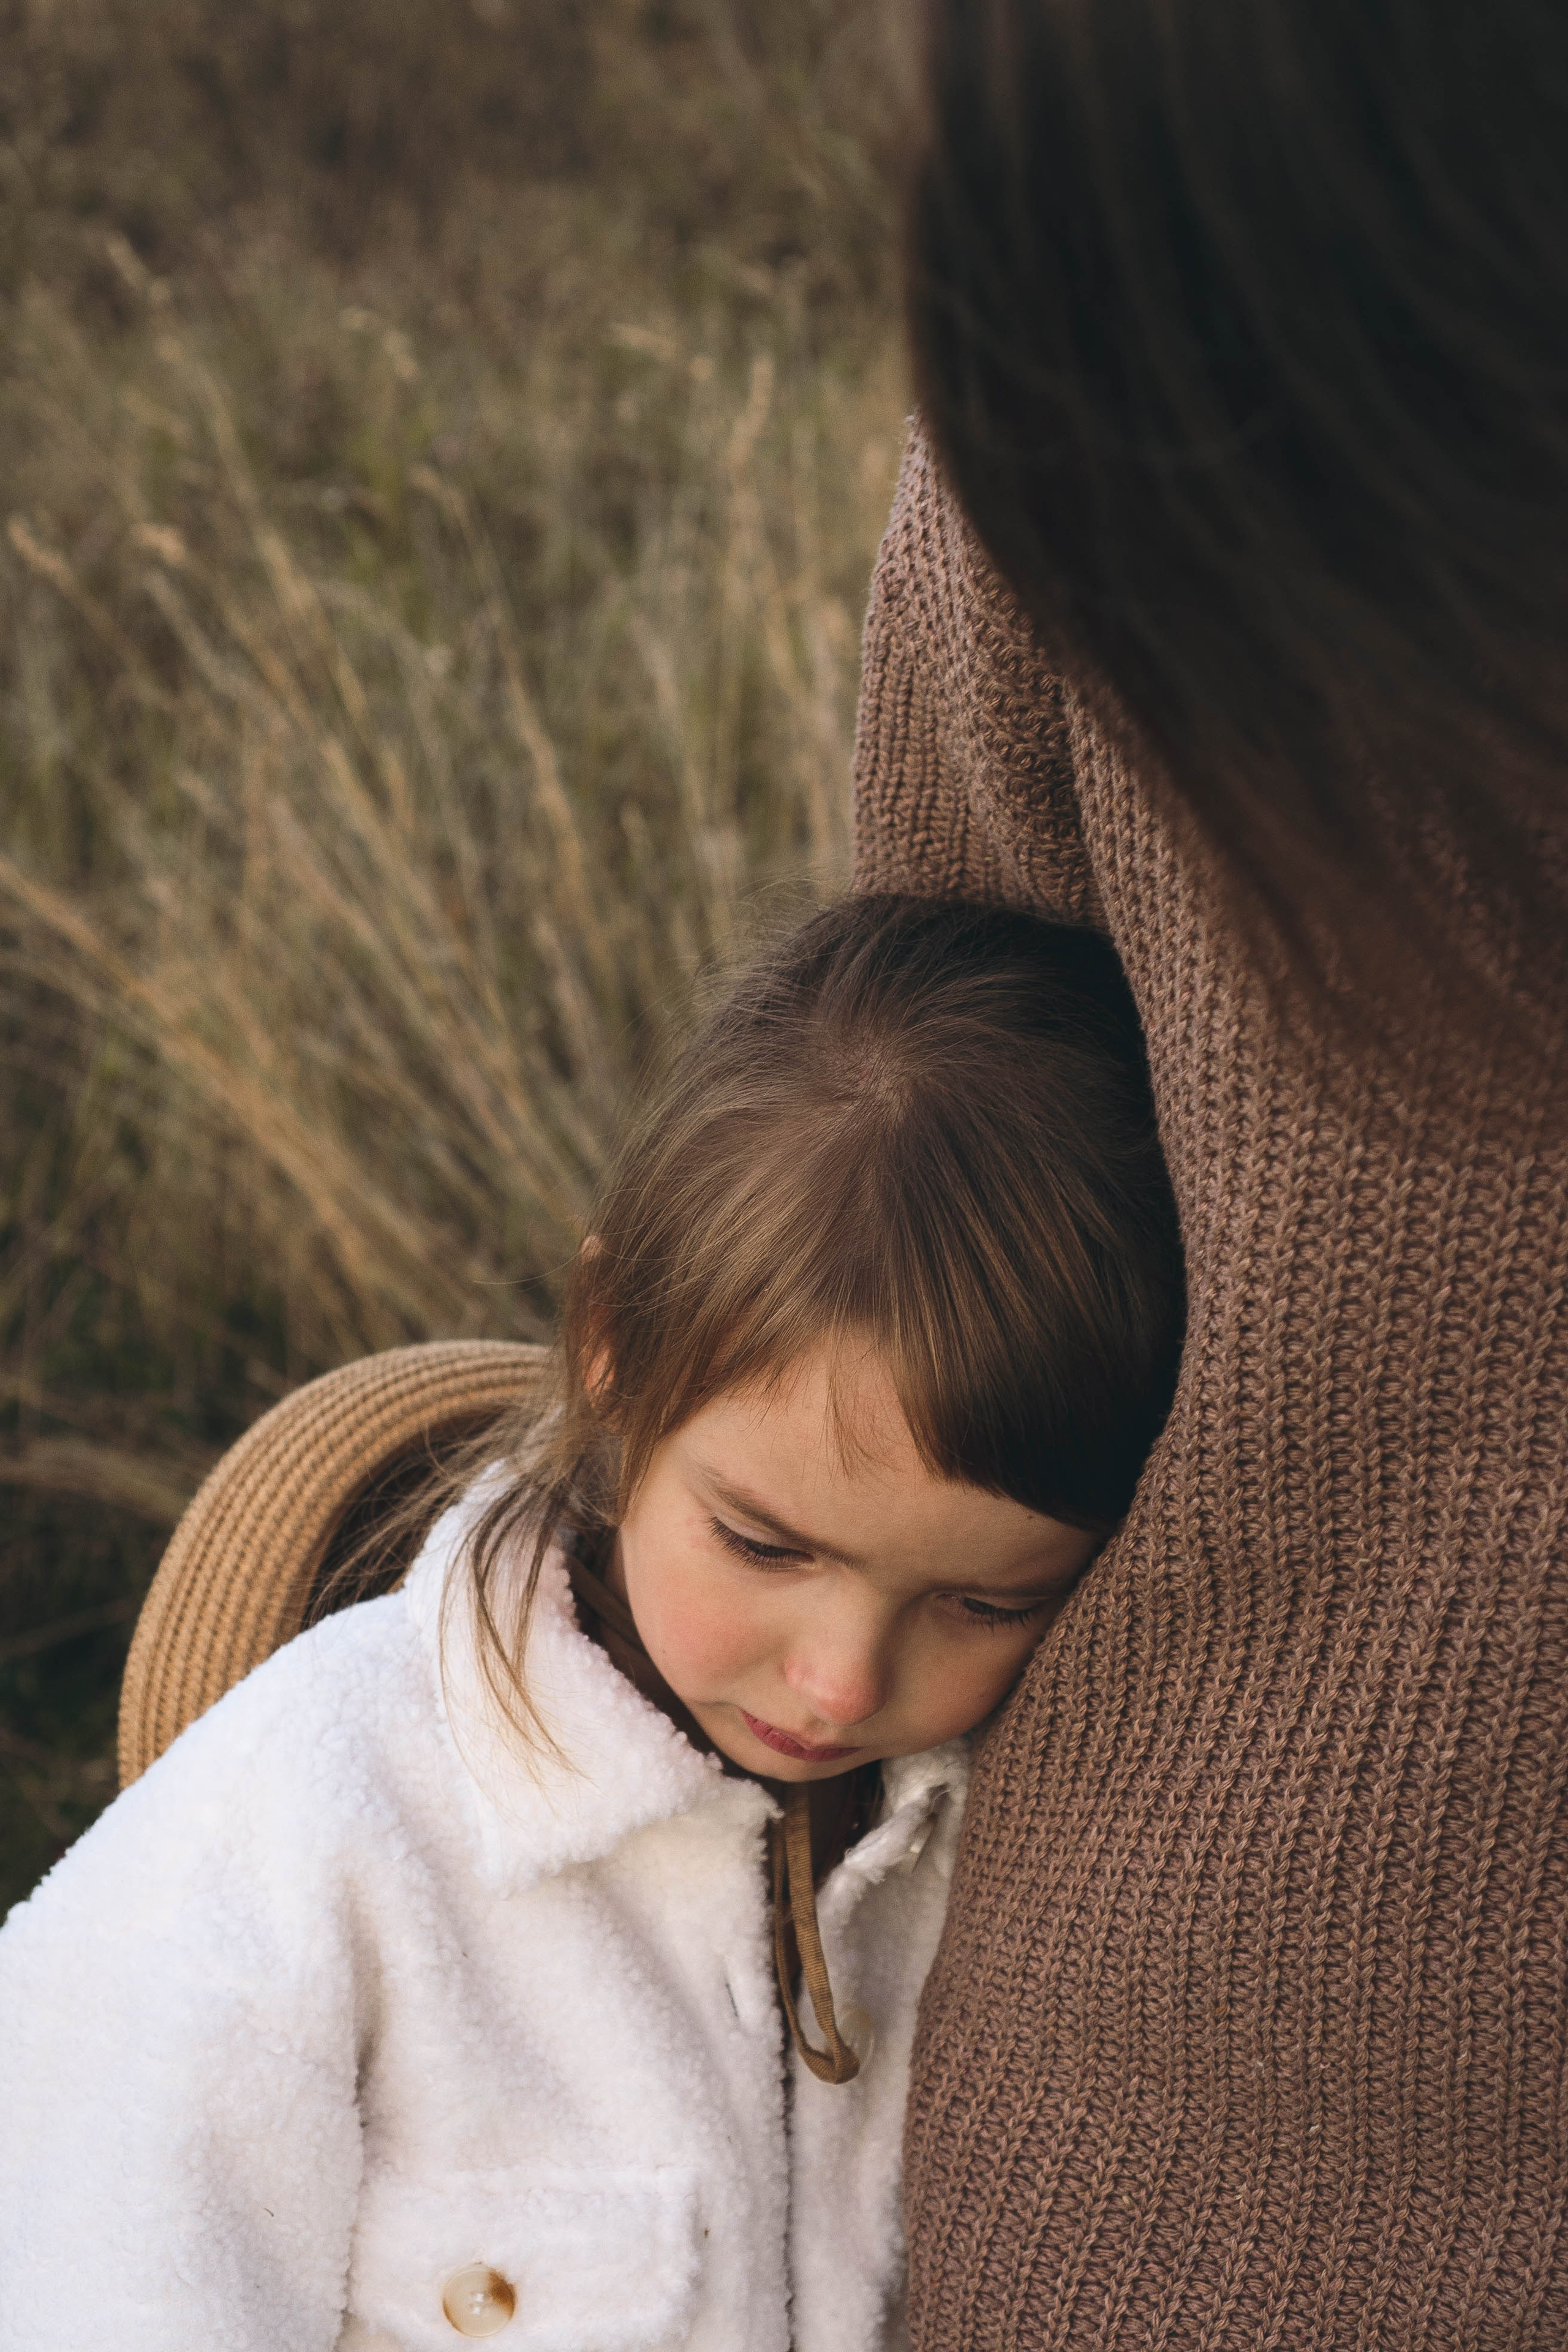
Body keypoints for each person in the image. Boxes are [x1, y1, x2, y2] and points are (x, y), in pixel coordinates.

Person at [0, 895, 1183, 2352]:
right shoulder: (311, 1827)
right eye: (760, 1542)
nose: (839, 1678)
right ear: (613, 1343)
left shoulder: (1032, 1856)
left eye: (985, 1600)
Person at [859, 3, 1568, 2344]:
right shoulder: (1064, 485)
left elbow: (920, 1255)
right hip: (1162, 2127)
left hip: (1131, 2141)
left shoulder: (1076, 449)